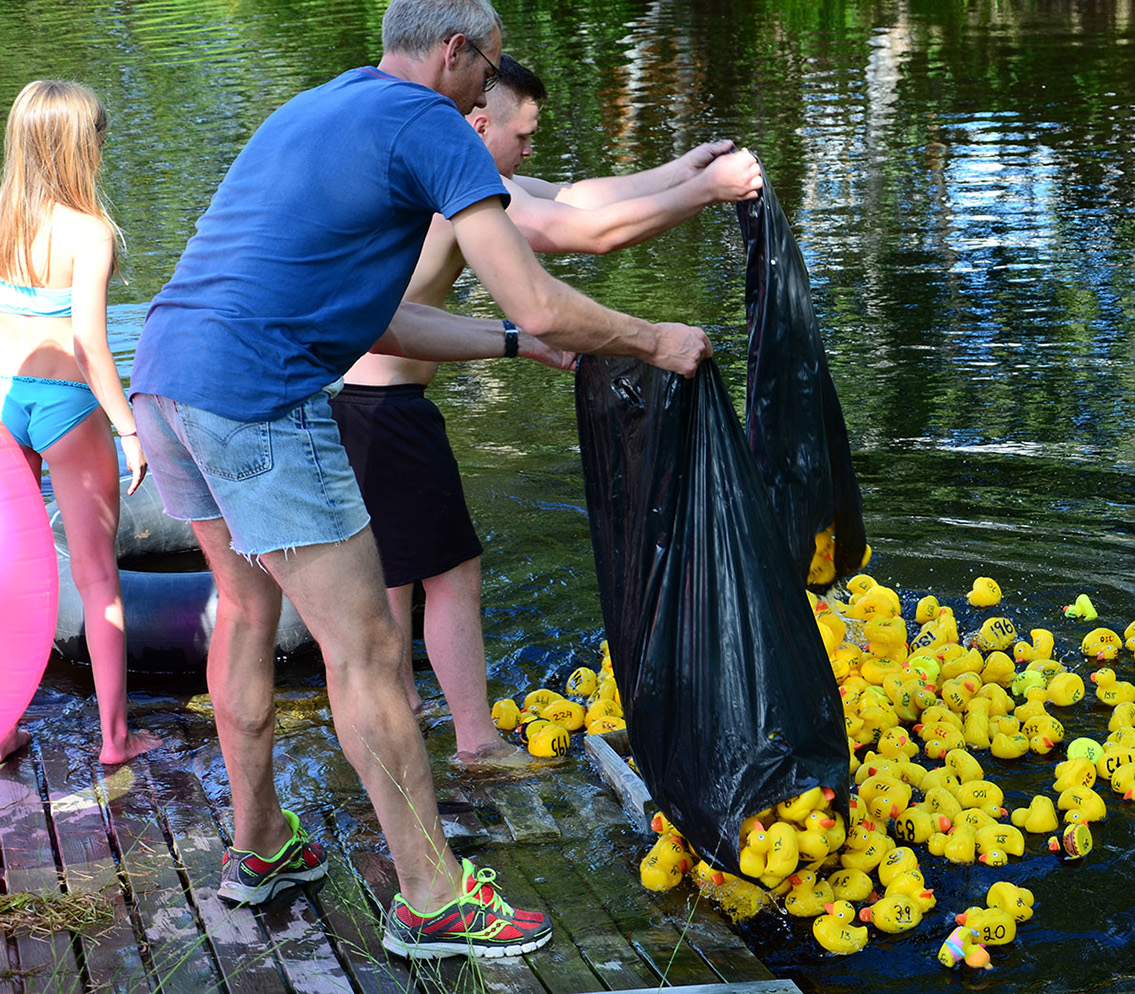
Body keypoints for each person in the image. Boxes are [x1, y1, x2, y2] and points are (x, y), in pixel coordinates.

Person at [129, 0, 711, 961]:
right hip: (256, 394)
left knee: (242, 614)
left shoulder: (315, 110)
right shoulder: (435, 125)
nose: (489, 93)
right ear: (455, 51)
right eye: (487, 69)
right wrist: (654, 340)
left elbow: (379, 321)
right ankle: (434, 897)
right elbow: (536, 287)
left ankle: (261, 844)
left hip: (168, 377)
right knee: (367, 651)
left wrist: (514, 347)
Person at [332, 54, 762, 763]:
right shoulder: (454, 187)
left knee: (398, 574)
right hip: (382, 408)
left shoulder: (444, 170)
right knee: (451, 574)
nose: (531, 149)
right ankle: (476, 743)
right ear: (478, 123)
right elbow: (584, 233)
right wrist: (708, 194)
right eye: (522, 134)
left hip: (359, 405)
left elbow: (577, 198)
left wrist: (684, 171)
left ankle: (403, 704)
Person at [0, 80, 163, 767]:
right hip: (67, 407)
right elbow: (94, 346)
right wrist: (129, 429)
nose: (103, 146)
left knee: (7, 572)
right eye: (98, 135)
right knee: (98, 578)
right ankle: (116, 738)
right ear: (76, 145)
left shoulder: (4, 214)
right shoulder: (89, 231)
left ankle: (5, 727)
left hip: (5, 400)